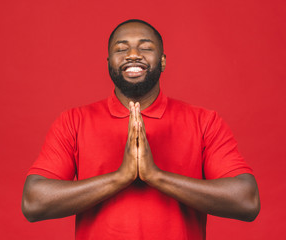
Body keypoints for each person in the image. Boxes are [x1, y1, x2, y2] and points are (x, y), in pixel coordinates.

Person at [22, 19, 260, 240]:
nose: (133, 55)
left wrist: (155, 176)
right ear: (108, 63)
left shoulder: (204, 121)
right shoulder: (73, 121)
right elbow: (34, 202)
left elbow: (246, 200)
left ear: (163, 61)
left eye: (145, 47)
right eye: (121, 49)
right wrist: (120, 177)